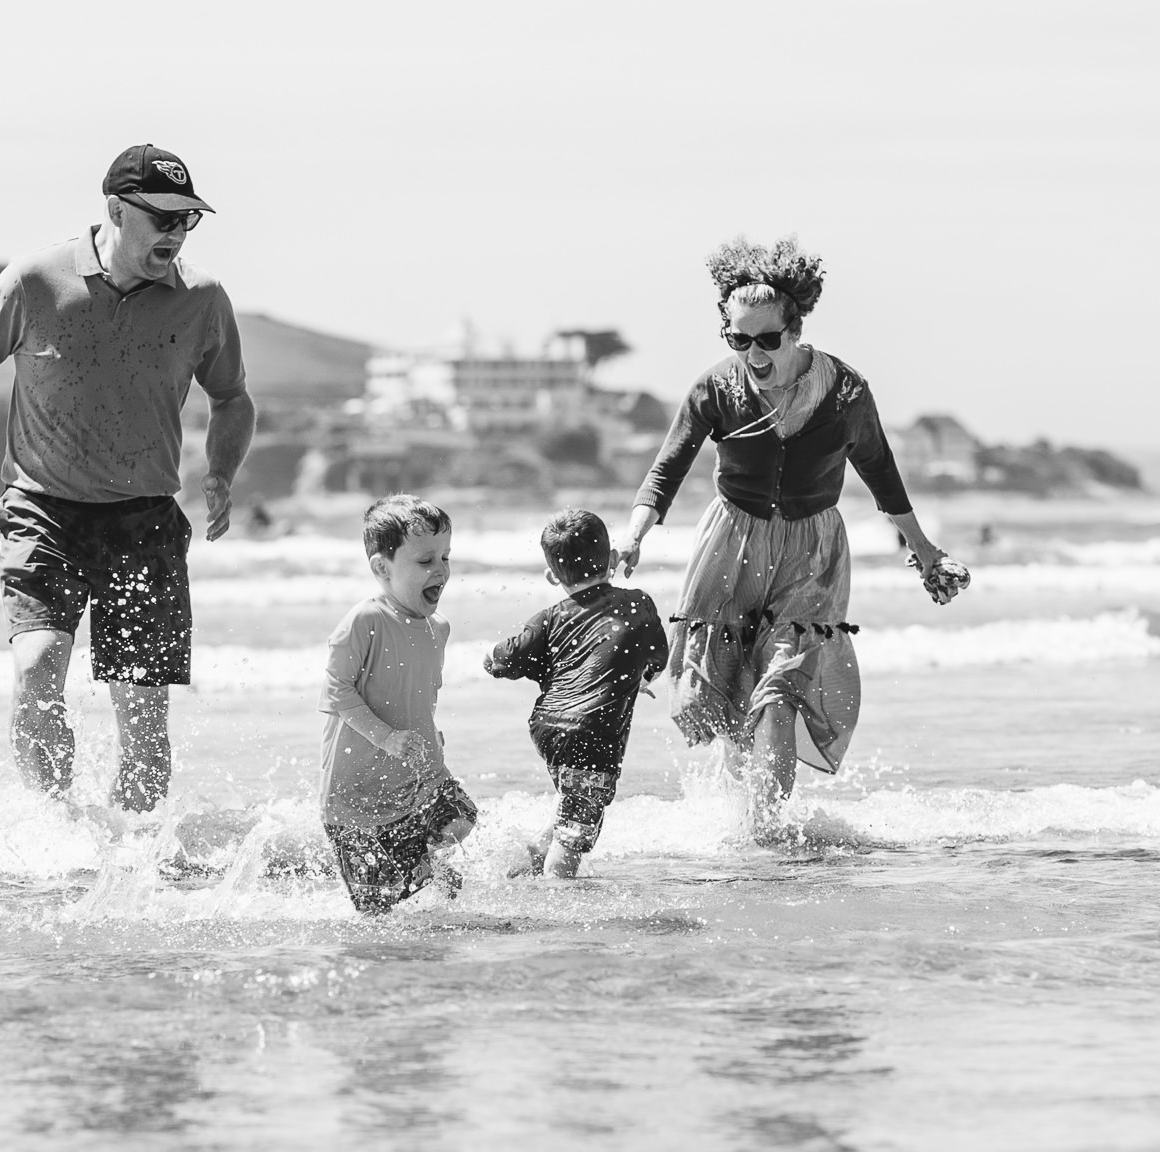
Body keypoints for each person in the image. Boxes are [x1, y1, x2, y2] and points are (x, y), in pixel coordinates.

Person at [0, 144, 257, 813]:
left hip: (146, 520)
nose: (176, 234)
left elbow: (233, 397)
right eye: (163, 219)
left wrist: (221, 471)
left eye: (188, 220)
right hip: (44, 510)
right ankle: (53, 830)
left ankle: (131, 861)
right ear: (116, 210)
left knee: (143, 716)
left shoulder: (202, 300)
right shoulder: (36, 281)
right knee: (38, 667)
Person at [616, 236, 967, 824]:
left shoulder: (845, 393)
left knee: (781, 687)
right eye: (738, 339)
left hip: (812, 551)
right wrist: (634, 535)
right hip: (731, 545)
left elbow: (882, 475)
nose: (753, 353)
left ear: (795, 329)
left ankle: (768, 834)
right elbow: (667, 469)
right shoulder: (716, 389)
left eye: (767, 339)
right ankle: (742, 821)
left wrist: (926, 553)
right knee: (728, 689)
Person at [485, 509, 668, 878]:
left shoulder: (549, 618)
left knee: (573, 807)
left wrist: (489, 654)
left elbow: (502, 661)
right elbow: (658, 657)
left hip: (549, 727)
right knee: (575, 834)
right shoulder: (638, 604)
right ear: (612, 559)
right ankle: (557, 896)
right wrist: (642, 677)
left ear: (553, 576)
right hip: (595, 732)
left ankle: (518, 867)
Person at [319, 494, 478, 914]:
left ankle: (430, 864)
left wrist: (430, 733)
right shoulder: (365, 621)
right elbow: (337, 692)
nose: (441, 570)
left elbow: (422, 694)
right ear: (382, 569)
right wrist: (385, 737)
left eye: (446, 557)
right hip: (354, 798)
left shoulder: (438, 628)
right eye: (425, 561)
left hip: (416, 778)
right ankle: (423, 874)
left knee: (462, 814)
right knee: (377, 910)